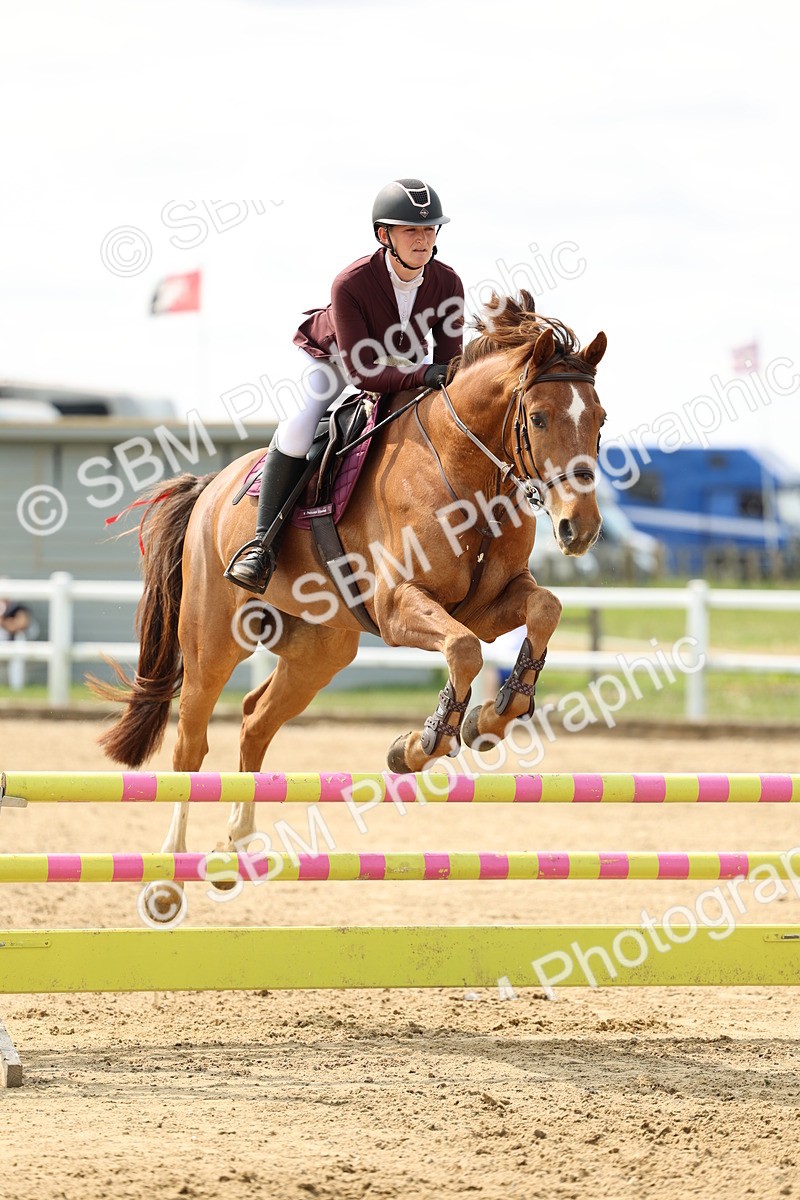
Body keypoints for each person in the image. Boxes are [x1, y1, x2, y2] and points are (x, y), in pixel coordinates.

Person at [225, 177, 466, 594]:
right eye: (411, 229)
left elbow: (449, 363)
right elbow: (363, 374)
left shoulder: (447, 283)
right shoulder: (350, 283)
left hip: (406, 360)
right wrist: (425, 373)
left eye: (429, 229)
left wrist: (438, 378)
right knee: (305, 424)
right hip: (339, 357)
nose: (423, 239)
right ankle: (261, 545)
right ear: (384, 235)